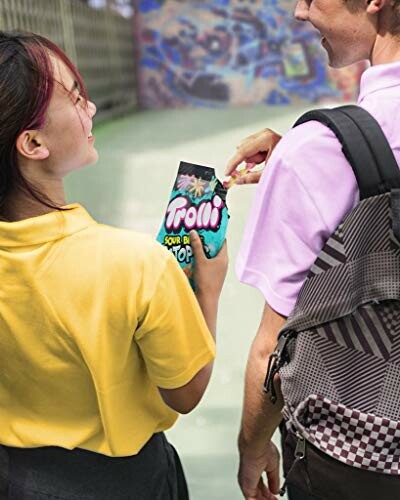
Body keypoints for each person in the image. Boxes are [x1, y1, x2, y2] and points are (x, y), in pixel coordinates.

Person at [0, 30, 228, 499]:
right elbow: (185, 393)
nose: (92, 109)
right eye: (77, 97)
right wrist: (208, 289)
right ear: (32, 142)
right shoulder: (137, 264)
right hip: (125, 483)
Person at [225, 0, 400, 499]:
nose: (300, 12)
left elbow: (271, 352)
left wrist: (251, 449)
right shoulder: (315, 153)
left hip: (357, 462)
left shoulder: (317, 152)